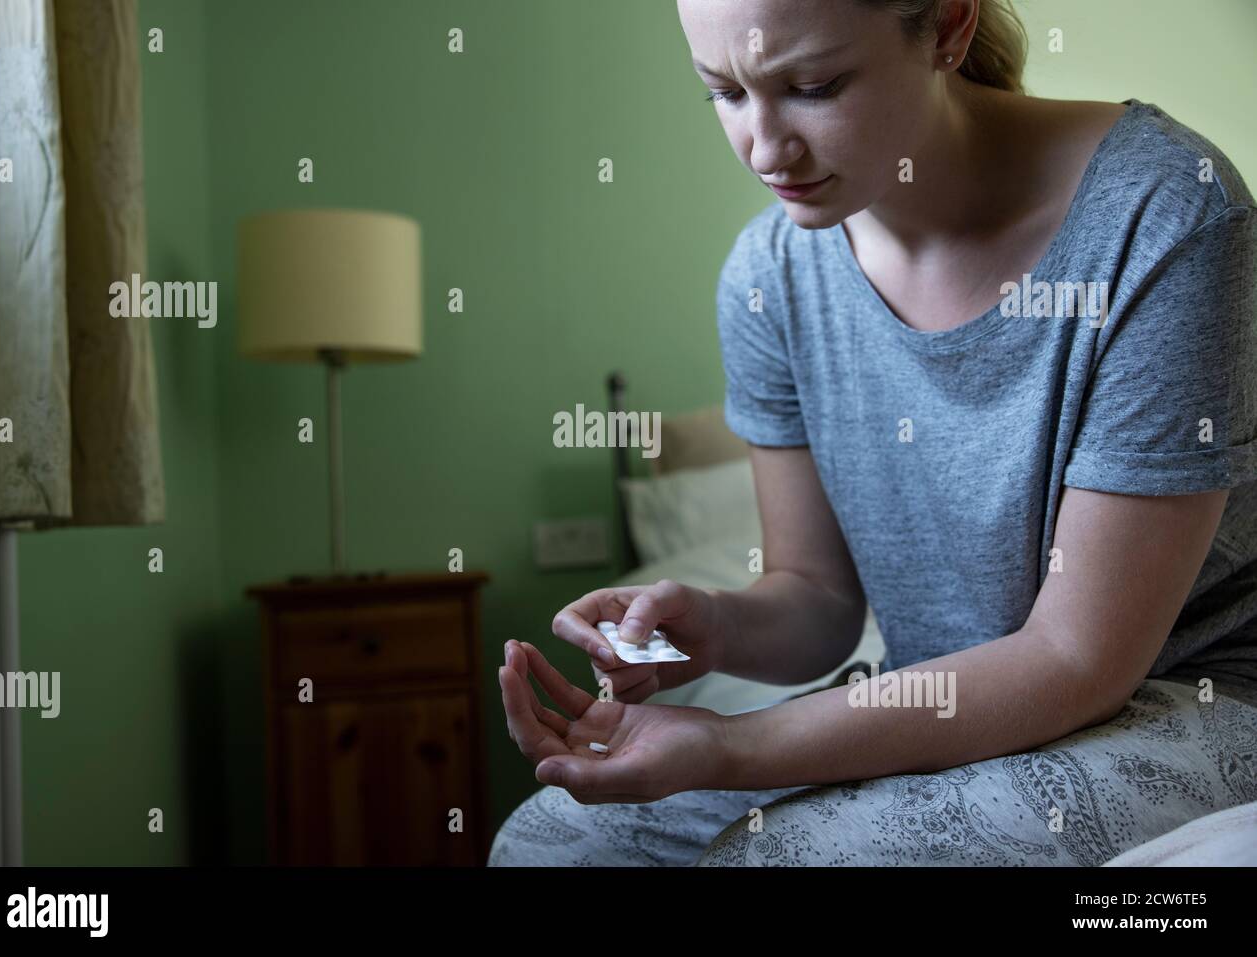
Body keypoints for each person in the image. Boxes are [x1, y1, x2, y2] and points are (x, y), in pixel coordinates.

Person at [490, 0, 1257, 866]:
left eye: (813, 86)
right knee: (550, 842)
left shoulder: (1166, 212)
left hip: (1193, 703)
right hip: (937, 704)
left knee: (781, 856)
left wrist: (730, 745)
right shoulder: (769, 274)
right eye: (725, 94)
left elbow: (1079, 658)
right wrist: (707, 626)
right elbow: (817, 600)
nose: (766, 149)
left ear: (950, 28)